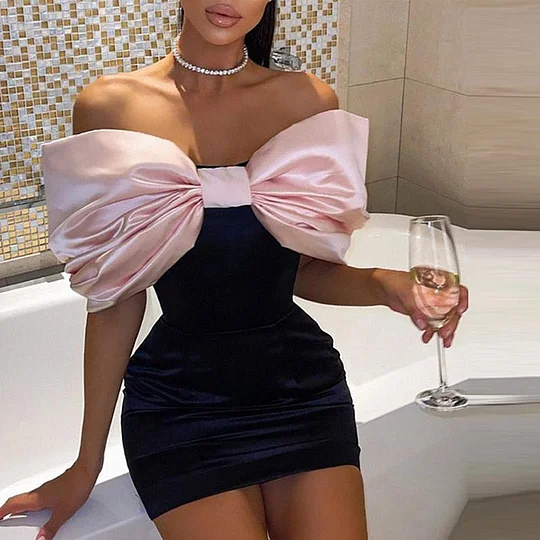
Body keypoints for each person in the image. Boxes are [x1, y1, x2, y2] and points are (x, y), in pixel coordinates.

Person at [0, 1, 469, 539]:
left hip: (301, 390)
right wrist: (86, 467)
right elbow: (115, 297)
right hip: (180, 405)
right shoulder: (110, 106)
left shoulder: (308, 101)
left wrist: (387, 284)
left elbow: (300, 268)